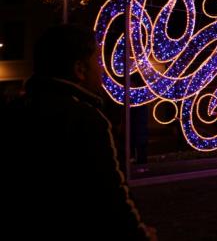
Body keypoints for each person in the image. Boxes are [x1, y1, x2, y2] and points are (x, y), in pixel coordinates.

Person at [2, 24, 156, 240]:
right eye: (97, 62)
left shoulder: (14, 111)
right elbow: (112, 195)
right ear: (80, 69)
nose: (102, 69)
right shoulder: (87, 119)